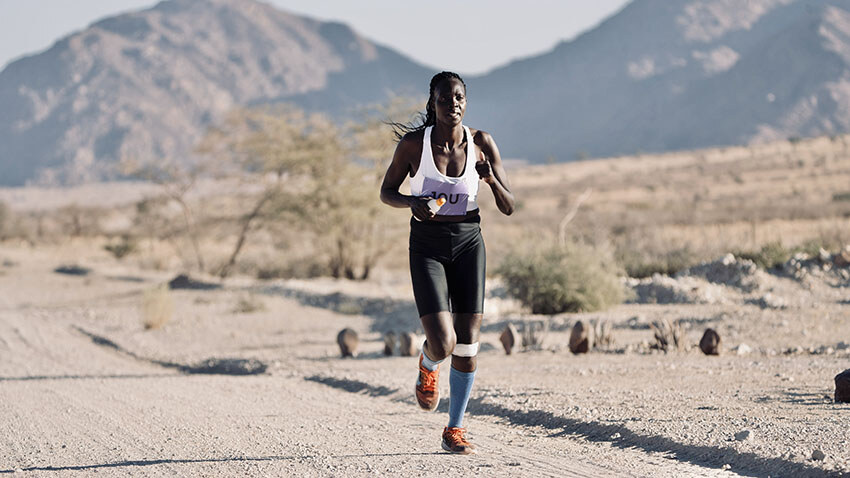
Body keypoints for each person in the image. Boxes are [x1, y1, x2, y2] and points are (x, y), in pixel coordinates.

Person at [380, 71, 515, 454]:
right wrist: (412, 202)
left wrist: (490, 180)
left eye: (458, 97)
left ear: (465, 102)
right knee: (443, 342)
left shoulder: (482, 143)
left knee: (468, 345)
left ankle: (453, 429)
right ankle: (428, 364)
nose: (452, 104)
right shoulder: (413, 146)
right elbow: (386, 192)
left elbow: (509, 206)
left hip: (469, 244)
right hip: (427, 247)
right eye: (444, 98)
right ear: (433, 103)